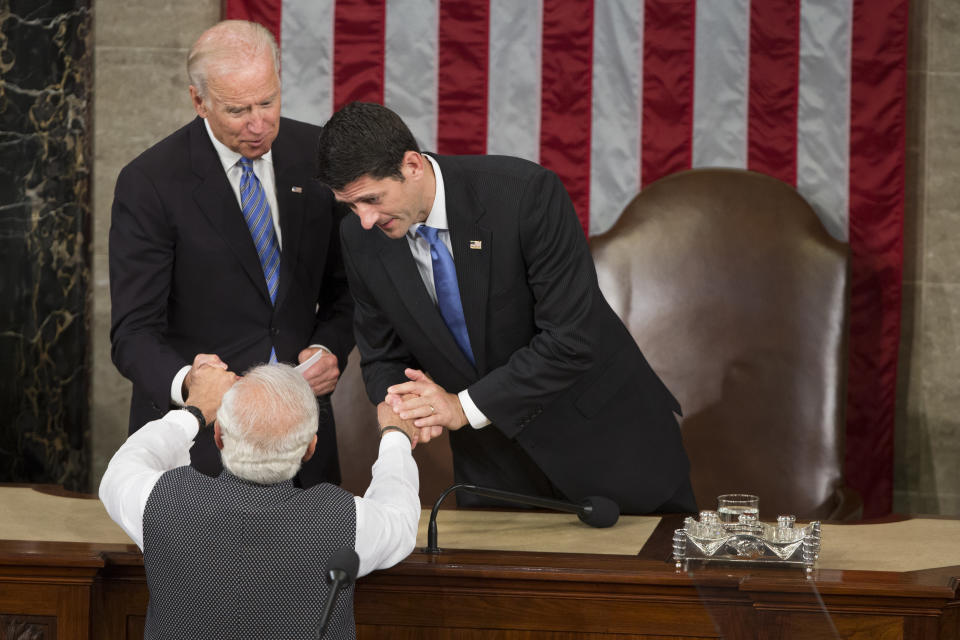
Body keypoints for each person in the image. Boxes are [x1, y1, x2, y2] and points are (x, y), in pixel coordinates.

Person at [315, 102, 695, 515]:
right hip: (492, 471)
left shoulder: (524, 195)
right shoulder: (359, 237)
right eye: (350, 205)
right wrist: (399, 410)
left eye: (371, 199)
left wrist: (460, 407)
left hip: (607, 446)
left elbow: (571, 339)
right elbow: (382, 354)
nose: (365, 219)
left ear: (411, 166)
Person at [109, 20, 354, 487]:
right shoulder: (151, 182)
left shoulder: (317, 154)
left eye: (268, 101)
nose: (259, 124)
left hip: (302, 441)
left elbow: (348, 292)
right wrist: (192, 386)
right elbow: (133, 334)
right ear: (198, 101)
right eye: (238, 109)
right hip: (196, 447)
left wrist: (329, 346)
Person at [99, 363, 420, 639]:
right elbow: (400, 518)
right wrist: (396, 436)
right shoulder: (345, 519)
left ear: (219, 436)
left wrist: (195, 411)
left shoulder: (161, 502)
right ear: (311, 448)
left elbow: (124, 467)